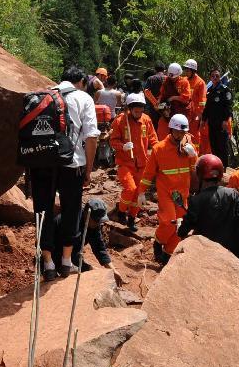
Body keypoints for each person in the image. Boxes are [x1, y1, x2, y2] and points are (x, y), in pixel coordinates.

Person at [26, 66, 100, 281]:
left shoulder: (44, 94)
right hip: (72, 164)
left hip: (41, 162)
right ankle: (67, 261)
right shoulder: (83, 98)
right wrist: (88, 170)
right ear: (82, 82)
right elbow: (92, 137)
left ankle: (47, 261)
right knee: (71, 210)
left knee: (42, 209)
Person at [136, 114, 197, 264]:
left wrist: (194, 156)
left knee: (181, 227)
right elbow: (149, 172)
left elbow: (194, 170)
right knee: (169, 222)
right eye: (177, 131)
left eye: (182, 132)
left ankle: (167, 254)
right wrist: (141, 192)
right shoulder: (159, 149)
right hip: (166, 193)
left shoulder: (189, 147)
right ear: (170, 130)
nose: (180, 135)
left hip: (182, 194)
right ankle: (158, 241)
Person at [178, 154, 239, 261]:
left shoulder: (196, 200)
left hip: (207, 253)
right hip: (235, 252)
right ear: (220, 174)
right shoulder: (233, 194)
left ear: (199, 174)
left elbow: (185, 228)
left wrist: (180, 228)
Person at [109, 92, 158, 232]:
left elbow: (153, 139)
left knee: (139, 193)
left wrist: (159, 151)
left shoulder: (146, 120)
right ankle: (121, 212)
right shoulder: (120, 120)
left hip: (142, 163)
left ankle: (132, 217)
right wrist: (122, 146)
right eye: (136, 110)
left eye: (141, 110)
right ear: (130, 108)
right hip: (125, 162)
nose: (138, 113)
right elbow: (112, 140)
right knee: (130, 189)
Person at [53, 199, 118, 279]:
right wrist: (88, 268)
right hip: (55, 255)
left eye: (100, 221)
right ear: (87, 213)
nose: (98, 224)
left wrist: (113, 270)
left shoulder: (93, 225)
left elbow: (99, 247)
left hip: (71, 256)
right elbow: (72, 253)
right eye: (96, 221)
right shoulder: (72, 223)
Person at [203, 67, 234, 168]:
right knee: (214, 146)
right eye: (213, 76)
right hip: (212, 123)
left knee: (222, 147)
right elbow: (207, 107)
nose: (215, 77)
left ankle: (224, 168)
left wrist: (226, 120)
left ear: (220, 77)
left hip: (222, 124)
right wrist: (203, 120)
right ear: (210, 77)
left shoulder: (225, 90)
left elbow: (228, 106)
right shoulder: (209, 90)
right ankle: (216, 167)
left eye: (217, 75)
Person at [182, 59, 207, 152]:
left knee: (195, 135)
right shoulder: (183, 80)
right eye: (185, 70)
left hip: (195, 115)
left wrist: (200, 114)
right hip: (184, 113)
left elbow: (202, 100)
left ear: (193, 71)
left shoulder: (200, 82)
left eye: (188, 70)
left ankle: (195, 155)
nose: (186, 72)